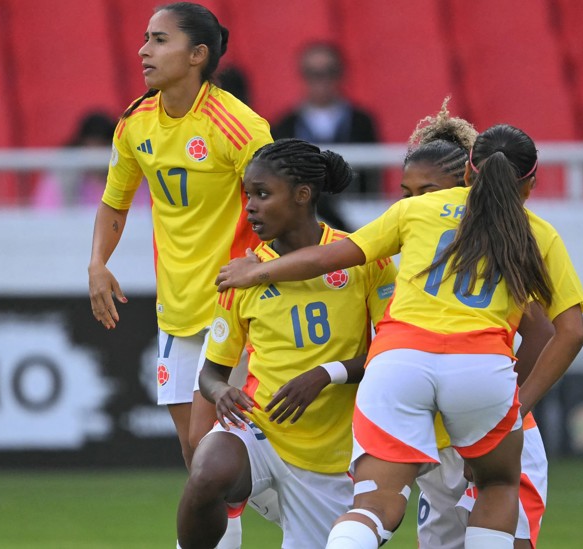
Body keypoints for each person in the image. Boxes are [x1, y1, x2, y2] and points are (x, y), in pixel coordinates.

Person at [216, 123, 583, 549]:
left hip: (400, 363)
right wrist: (517, 404)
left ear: (467, 172)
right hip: (480, 371)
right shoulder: (533, 231)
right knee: (497, 488)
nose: (414, 197)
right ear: (532, 181)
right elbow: (570, 332)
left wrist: (257, 270)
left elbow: (331, 255)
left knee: (376, 503)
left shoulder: (414, 214)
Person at [176, 139, 397, 548]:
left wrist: (325, 375)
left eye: (262, 194)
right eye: (248, 195)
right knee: (207, 473)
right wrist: (222, 390)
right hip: (258, 431)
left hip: (329, 458)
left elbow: (396, 353)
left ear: (302, 195)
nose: (250, 207)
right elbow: (211, 372)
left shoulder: (364, 261)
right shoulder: (242, 274)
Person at [88, 0, 271, 481]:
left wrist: (263, 268)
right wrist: (97, 263)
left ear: (197, 55)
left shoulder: (240, 128)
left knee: (207, 447)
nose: (143, 50)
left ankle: (311, 516)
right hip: (177, 308)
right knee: (195, 461)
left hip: (235, 305)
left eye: (160, 39)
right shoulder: (135, 124)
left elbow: (283, 207)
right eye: (146, 38)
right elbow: (115, 201)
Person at [402, 101, 555, 549]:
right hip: (437, 441)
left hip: (494, 430)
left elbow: (543, 334)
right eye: (406, 194)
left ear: (468, 185)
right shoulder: (408, 250)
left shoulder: (499, 249)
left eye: (428, 192)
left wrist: (504, 419)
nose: (416, 205)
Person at [274, 42, 380, 229]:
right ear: (303, 76)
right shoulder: (284, 125)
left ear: (341, 74)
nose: (322, 81)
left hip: (355, 216)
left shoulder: (362, 121)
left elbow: (372, 177)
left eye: (329, 72)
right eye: (313, 74)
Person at [33, 112, 149, 208]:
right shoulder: (62, 177)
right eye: (90, 146)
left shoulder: (133, 180)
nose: (95, 154)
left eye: (102, 145)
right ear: (80, 146)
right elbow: (44, 215)